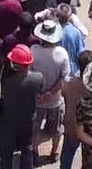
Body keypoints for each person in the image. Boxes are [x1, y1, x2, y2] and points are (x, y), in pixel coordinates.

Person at [0, 45, 45, 169]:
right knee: (27, 147)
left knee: (6, 151)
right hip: (28, 119)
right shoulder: (38, 78)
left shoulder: (8, 81)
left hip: (9, 121)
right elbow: (40, 92)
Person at [30, 20, 71, 164]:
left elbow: (28, 74)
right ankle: (54, 152)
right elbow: (64, 78)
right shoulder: (62, 54)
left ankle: (35, 153)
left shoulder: (33, 50)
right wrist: (50, 93)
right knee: (57, 129)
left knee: (35, 128)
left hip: (36, 99)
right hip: (55, 99)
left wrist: (39, 94)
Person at [60, 51, 92, 169]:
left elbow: (62, 94)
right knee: (88, 158)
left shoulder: (69, 84)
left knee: (67, 155)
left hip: (71, 126)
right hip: (89, 129)